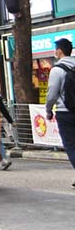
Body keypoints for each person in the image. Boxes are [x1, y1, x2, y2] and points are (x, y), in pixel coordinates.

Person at [45, 38, 75, 186]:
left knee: (71, 145)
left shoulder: (57, 70)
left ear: (60, 51)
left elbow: (52, 94)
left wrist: (48, 110)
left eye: (55, 49)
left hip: (66, 112)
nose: (55, 52)